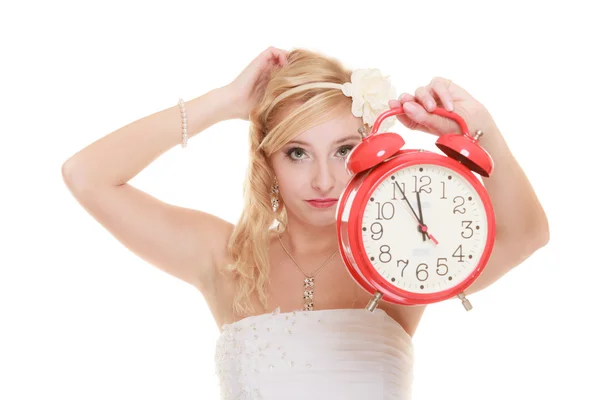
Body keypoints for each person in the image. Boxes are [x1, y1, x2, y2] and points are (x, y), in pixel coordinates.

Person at [61, 46, 550, 399]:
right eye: (298, 152)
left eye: (342, 150)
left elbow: (528, 235)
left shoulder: (397, 261)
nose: (322, 179)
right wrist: (225, 102)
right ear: (267, 160)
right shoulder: (227, 259)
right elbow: (86, 176)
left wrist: (482, 131)